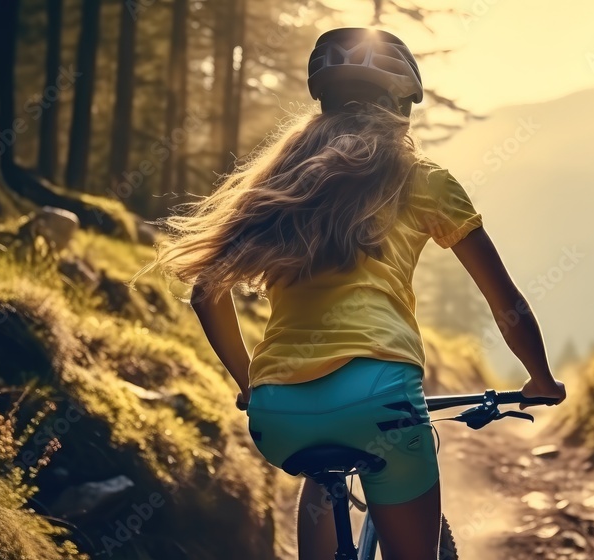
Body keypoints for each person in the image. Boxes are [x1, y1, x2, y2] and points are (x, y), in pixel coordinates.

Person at [137, 27, 566, 560]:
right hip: (379, 397)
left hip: (278, 415)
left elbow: (206, 292)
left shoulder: (281, 178)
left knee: (324, 470)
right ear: (401, 104)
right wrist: (540, 376)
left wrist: (251, 383)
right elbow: (507, 303)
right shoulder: (424, 178)